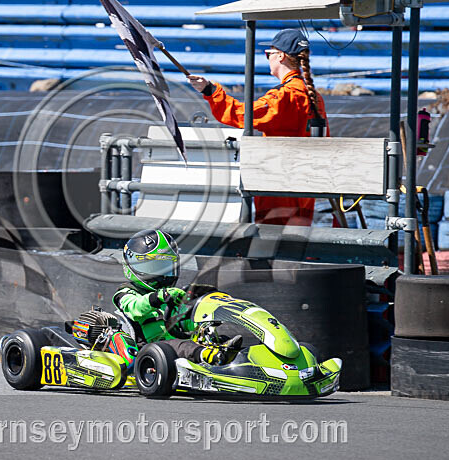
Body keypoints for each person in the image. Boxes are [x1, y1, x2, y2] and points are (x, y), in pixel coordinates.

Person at [188, 28, 329, 226]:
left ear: (280, 56)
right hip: (305, 182)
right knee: (299, 240)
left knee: (274, 240)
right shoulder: (315, 97)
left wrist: (211, 91)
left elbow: (242, 115)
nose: (267, 58)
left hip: (279, 181)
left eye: (268, 54)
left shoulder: (284, 97)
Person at [112, 229, 241, 365]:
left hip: (173, 342)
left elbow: (179, 323)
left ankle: (228, 357)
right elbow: (135, 308)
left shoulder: (168, 295)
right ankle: (207, 356)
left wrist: (203, 320)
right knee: (182, 346)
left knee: (216, 339)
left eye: (166, 267)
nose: (163, 275)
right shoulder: (125, 293)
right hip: (150, 350)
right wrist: (157, 297)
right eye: (155, 267)